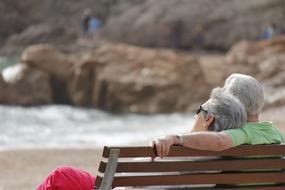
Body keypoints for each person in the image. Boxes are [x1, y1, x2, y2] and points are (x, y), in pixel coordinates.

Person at [36, 87, 247, 190]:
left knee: (60, 176)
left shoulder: (177, 150)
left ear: (208, 119)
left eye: (200, 110)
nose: (195, 115)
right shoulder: (226, 159)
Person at [151, 73, 284, 158]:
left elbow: (220, 141)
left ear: (232, 102)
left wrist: (176, 139)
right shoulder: (275, 133)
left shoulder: (243, 133)